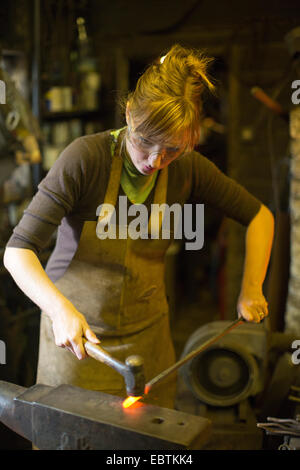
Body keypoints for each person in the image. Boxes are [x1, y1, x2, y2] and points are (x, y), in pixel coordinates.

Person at [3, 44, 274, 409]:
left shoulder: (187, 168)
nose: (155, 160)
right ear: (129, 113)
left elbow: (260, 216)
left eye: (173, 149)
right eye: (146, 142)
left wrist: (251, 288)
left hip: (149, 344)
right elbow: (17, 252)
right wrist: (59, 311)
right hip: (78, 345)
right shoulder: (85, 159)